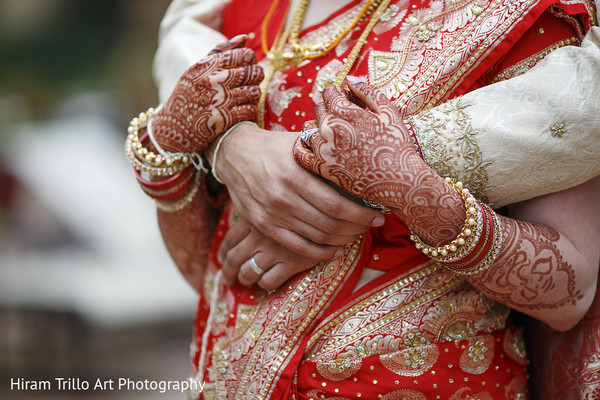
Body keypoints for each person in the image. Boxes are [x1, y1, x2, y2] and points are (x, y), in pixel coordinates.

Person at [127, 0, 600, 398]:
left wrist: (418, 194)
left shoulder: (509, 17)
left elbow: (569, 293)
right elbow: (214, 273)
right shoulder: (240, 12)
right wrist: (183, 148)